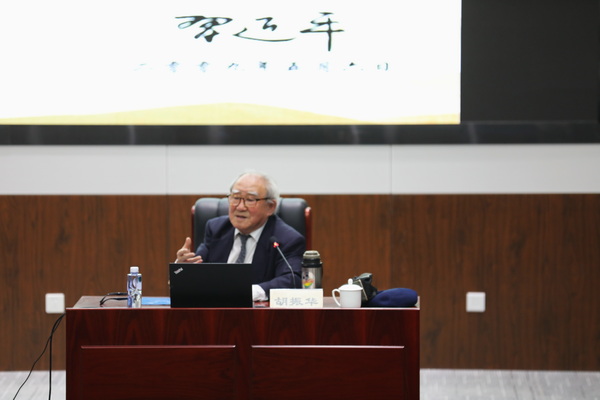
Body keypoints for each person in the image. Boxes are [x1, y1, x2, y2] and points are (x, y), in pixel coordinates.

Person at [175, 171, 305, 301]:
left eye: (250, 200)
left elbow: (292, 279)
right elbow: (197, 272)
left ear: (270, 207)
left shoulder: (287, 239)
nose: (240, 207)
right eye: (236, 198)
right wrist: (181, 268)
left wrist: (248, 292)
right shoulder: (216, 229)